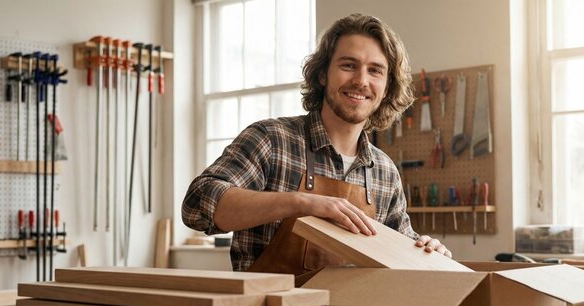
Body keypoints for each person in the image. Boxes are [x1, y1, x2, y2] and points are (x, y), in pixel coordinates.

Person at [182, 13, 452, 280]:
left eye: (375, 70)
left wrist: (426, 252)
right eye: (348, 65)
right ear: (322, 74)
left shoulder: (384, 172)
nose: (361, 80)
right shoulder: (272, 140)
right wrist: (300, 202)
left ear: (386, 86)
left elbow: (401, 260)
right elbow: (197, 205)